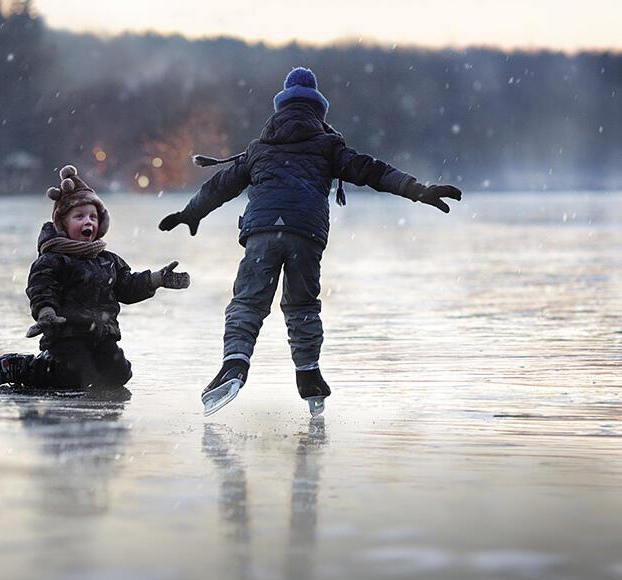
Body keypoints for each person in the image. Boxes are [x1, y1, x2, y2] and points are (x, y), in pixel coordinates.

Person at [159, 67, 462, 416]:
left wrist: (191, 212)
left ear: (280, 108)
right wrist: (418, 190)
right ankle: (309, 375)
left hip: (262, 233)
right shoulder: (328, 145)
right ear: (318, 110)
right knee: (302, 305)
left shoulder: (259, 148)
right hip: (306, 235)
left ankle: (234, 366)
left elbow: (221, 185)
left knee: (248, 302)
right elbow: (374, 171)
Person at [0, 165, 190, 390]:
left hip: (103, 335)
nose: (88, 222)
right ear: (63, 224)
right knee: (74, 378)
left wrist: (158, 279)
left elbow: (127, 286)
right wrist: (46, 313)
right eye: (79, 216)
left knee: (118, 375)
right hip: (67, 336)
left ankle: (65, 365)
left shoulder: (108, 260)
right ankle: (20, 366)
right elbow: (42, 289)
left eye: (93, 217)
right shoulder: (54, 259)